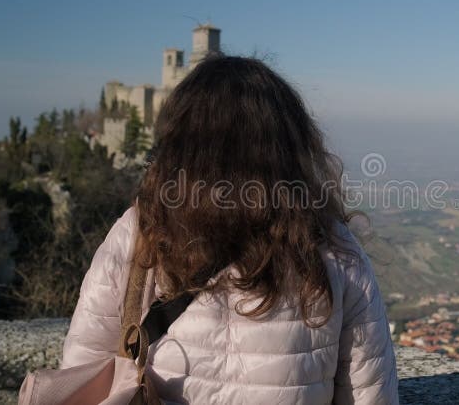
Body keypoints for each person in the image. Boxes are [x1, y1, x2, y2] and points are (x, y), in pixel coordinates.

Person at [61, 56, 398, 404]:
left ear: (179, 143)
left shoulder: (139, 232)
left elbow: (81, 377)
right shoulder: (333, 248)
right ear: (289, 146)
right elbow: (371, 395)